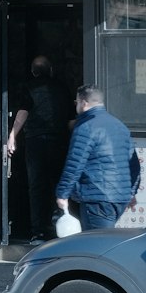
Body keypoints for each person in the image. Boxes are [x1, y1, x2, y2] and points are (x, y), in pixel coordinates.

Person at [56, 84, 142, 231]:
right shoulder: (120, 126)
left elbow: (75, 163)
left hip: (97, 198)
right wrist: (131, 192)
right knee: (105, 240)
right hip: (119, 198)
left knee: (98, 246)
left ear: (83, 102)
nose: (76, 106)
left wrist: (62, 194)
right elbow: (134, 165)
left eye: (76, 102)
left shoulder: (86, 127)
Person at [6, 55, 71, 241]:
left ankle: (38, 232)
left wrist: (12, 136)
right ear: (51, 70)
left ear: (33, 71)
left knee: (36, 187)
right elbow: (71, 120)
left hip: (35, 142)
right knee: (59, 183)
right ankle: (60, 227)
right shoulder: (62, 88)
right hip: (58, 140)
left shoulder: (28, 87)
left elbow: (23, 113)